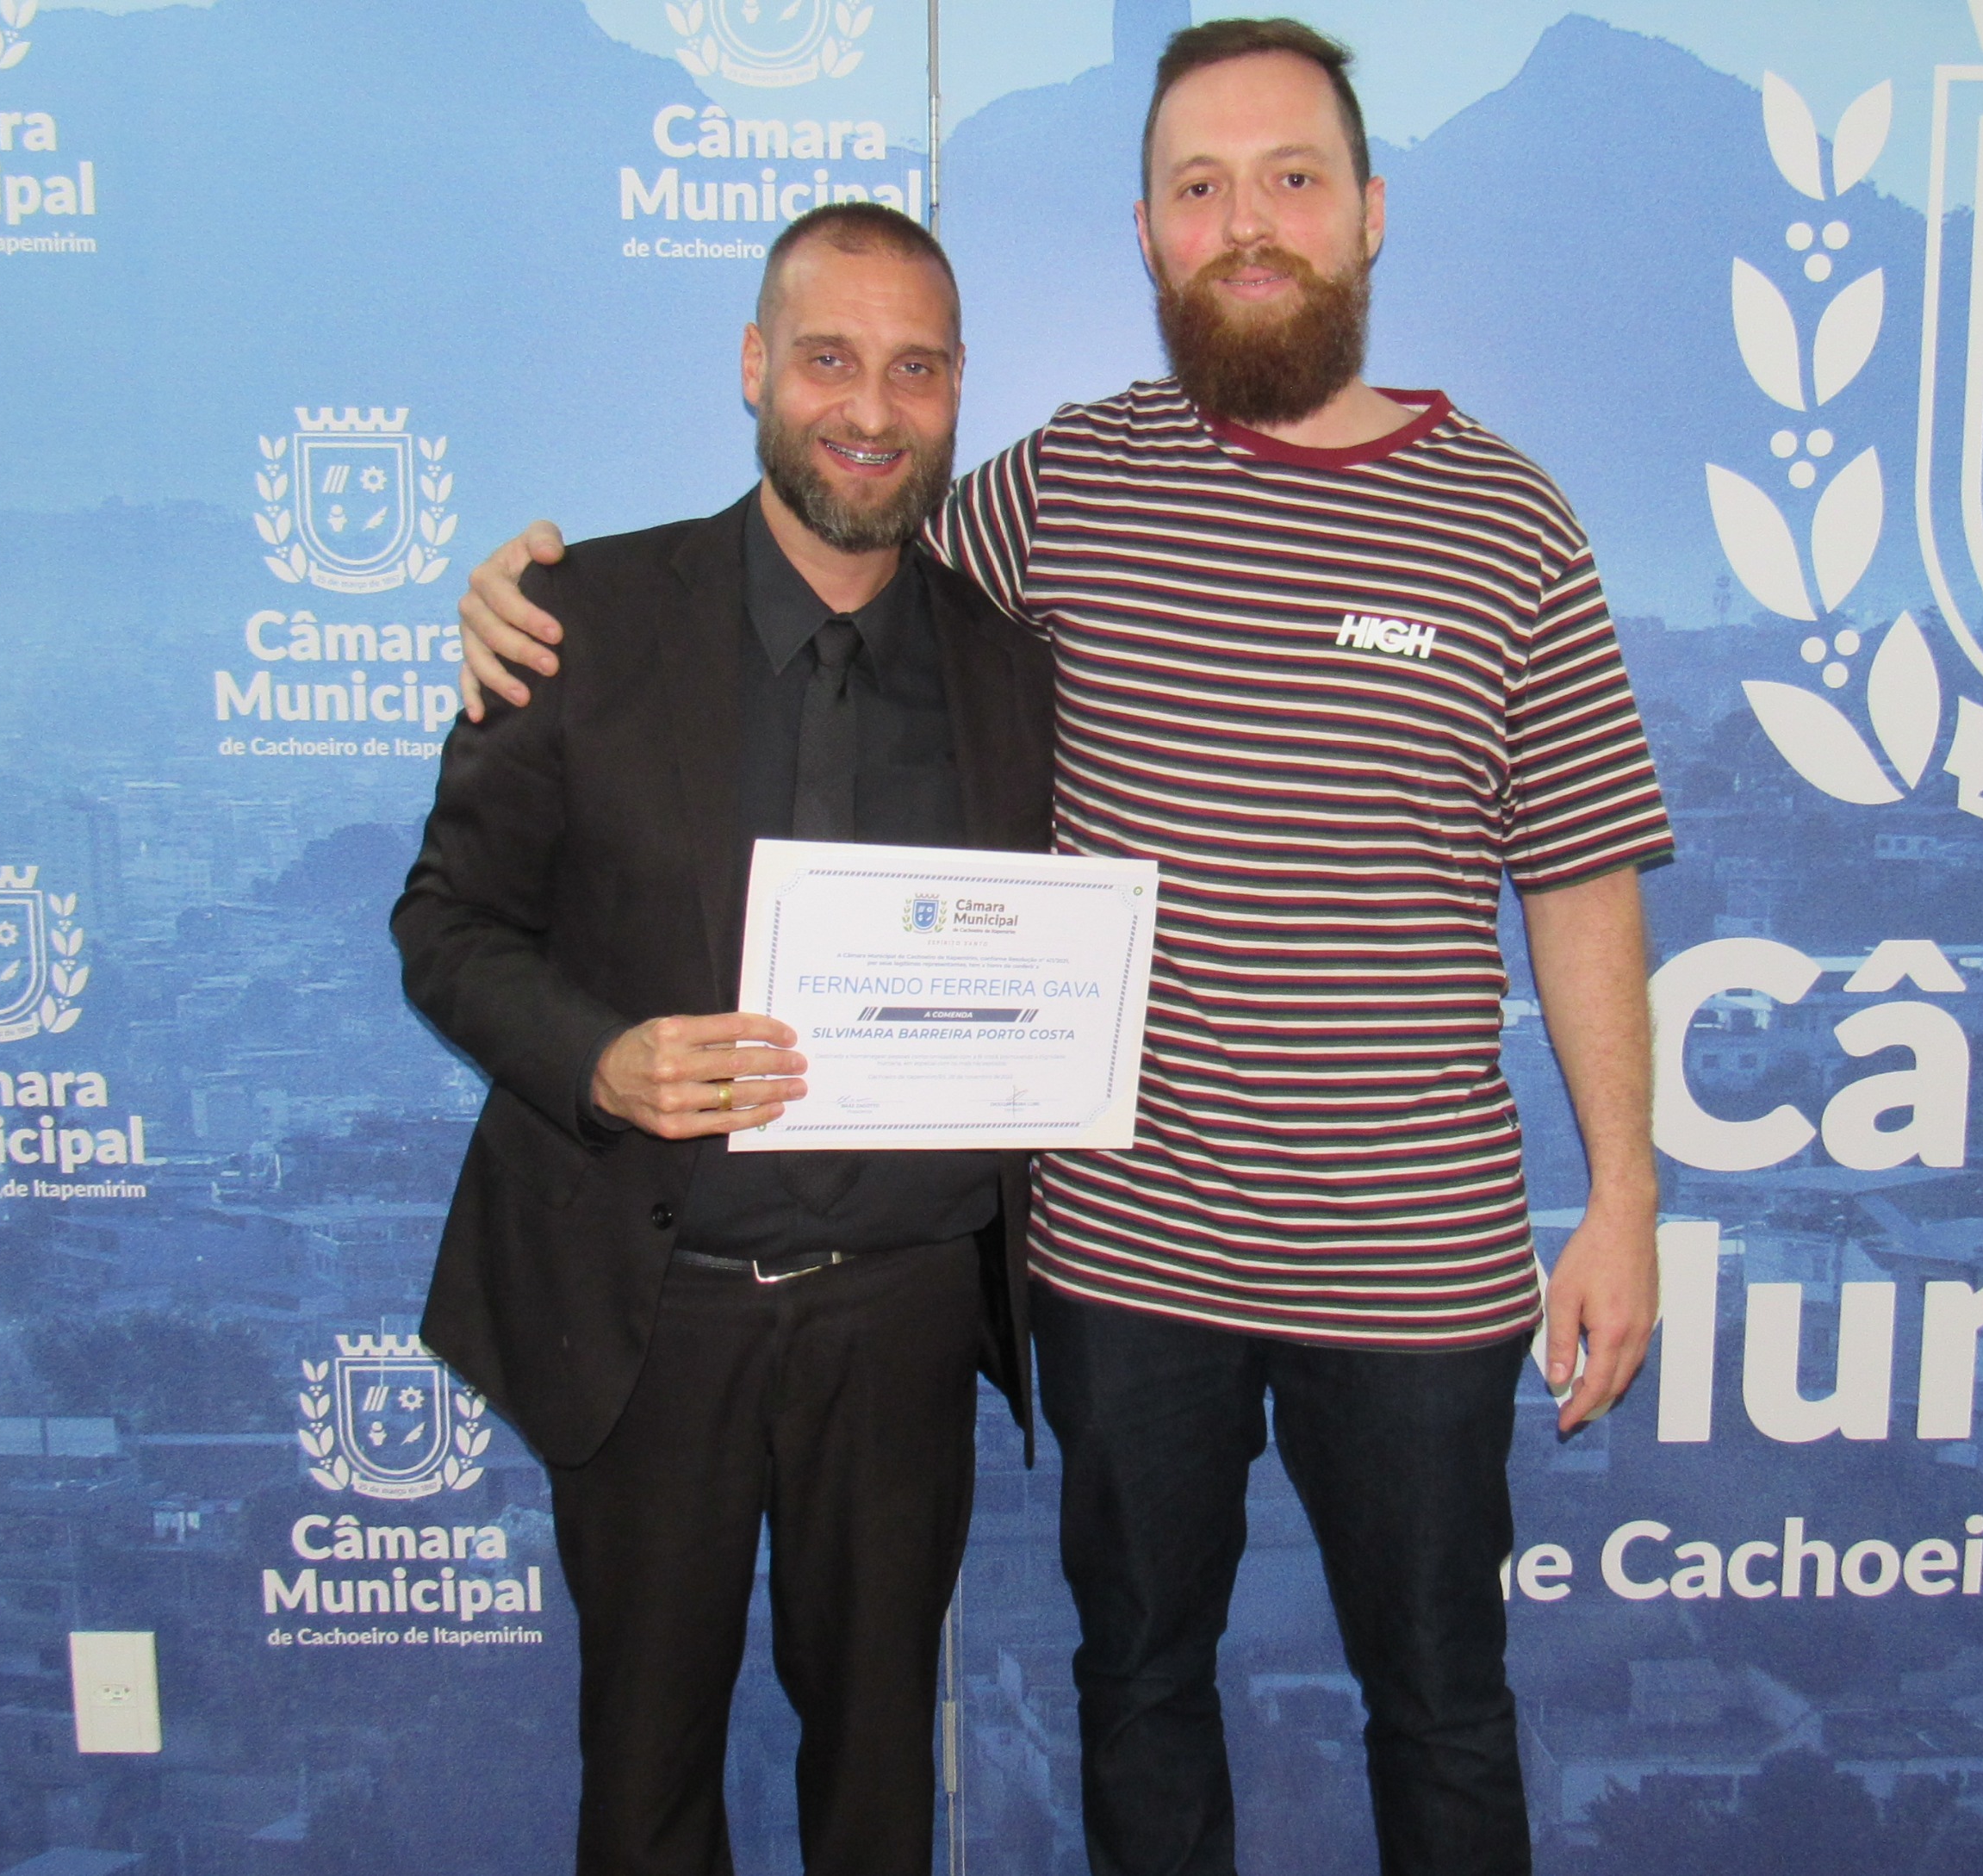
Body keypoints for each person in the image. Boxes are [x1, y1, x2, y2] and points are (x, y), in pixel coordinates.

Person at [454, 22, 1668, 1873]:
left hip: (1415, 1254)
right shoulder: (1061, 488)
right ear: (1146, 233)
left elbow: (1579, 874)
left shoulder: (1509, 521)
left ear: (1368, 214)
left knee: (1442, 1702)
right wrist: (530, 605)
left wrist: (1625, 1196)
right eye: (1198, 187)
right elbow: (827, 549)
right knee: (1138, 1685)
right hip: (1123, 1250)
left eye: (1289, 180)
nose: (1244, 222)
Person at [390, 202, 1057, 1875]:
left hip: (905, 1323)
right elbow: (446, 927)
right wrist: (598, 1059)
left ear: (957, 391)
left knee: (880, 1792)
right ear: (755, 367)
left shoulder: (1013, 672)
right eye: (829, 358)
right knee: (644, 1792)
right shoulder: (578, 621)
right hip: (650, 1311)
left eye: (916, 369)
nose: (871, 409)